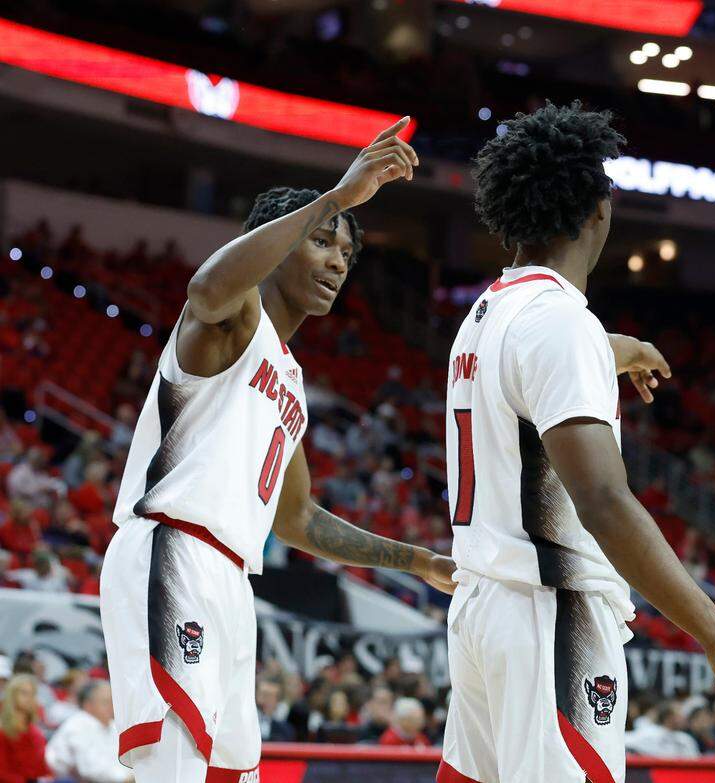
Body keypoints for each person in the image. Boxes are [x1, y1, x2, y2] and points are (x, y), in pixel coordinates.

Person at [438, 101, 715, 783]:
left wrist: (613, 349)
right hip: (552, 612)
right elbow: (602, 500)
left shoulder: (485, 313)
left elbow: (530, 367)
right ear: (599, 207)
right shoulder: (560, 321)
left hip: (484, 607)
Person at [100, 116, 457, 783]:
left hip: (233, 579)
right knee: (175, 769)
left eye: (345, 253)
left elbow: (298, 520)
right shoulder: (233, 321)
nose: (335, 261)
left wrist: (418, 559)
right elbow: (205, 288)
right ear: (276, 243)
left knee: (231, 774)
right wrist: (338, 198)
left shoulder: (290, 377)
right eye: (322, 241)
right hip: (173, 549)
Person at [45, 680, 133, 783]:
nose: (112, 706)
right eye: (106, 702)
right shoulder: (77, 725)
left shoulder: (113, 725)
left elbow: (124, 761)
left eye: (112, 701)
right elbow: (89, 770)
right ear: (88, 705)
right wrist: (126, 779)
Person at [0, 673, 51, 783]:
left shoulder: (34, 731)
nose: (29, 698)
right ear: (12, 695)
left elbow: (40, 768)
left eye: (33, 694)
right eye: (24, 693)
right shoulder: (3, 730)